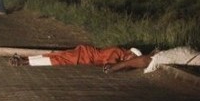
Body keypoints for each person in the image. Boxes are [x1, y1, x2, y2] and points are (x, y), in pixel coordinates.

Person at [103, 46, 200, 73]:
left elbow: (145, 60)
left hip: (196, 57)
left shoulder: (156, 58)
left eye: (126, 56)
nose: (123, 58)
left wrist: (118, 66)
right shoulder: (159, 57)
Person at [9, 44, 143, 67]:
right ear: (130, 53)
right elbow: (110, 65)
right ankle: (25, 62)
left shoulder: (120, 52)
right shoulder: (118, 52)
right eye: (133, 59)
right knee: (58, 60)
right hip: (85, 55)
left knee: (57, 56)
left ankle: (24, 60)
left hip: (85, 53)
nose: (132, 61)